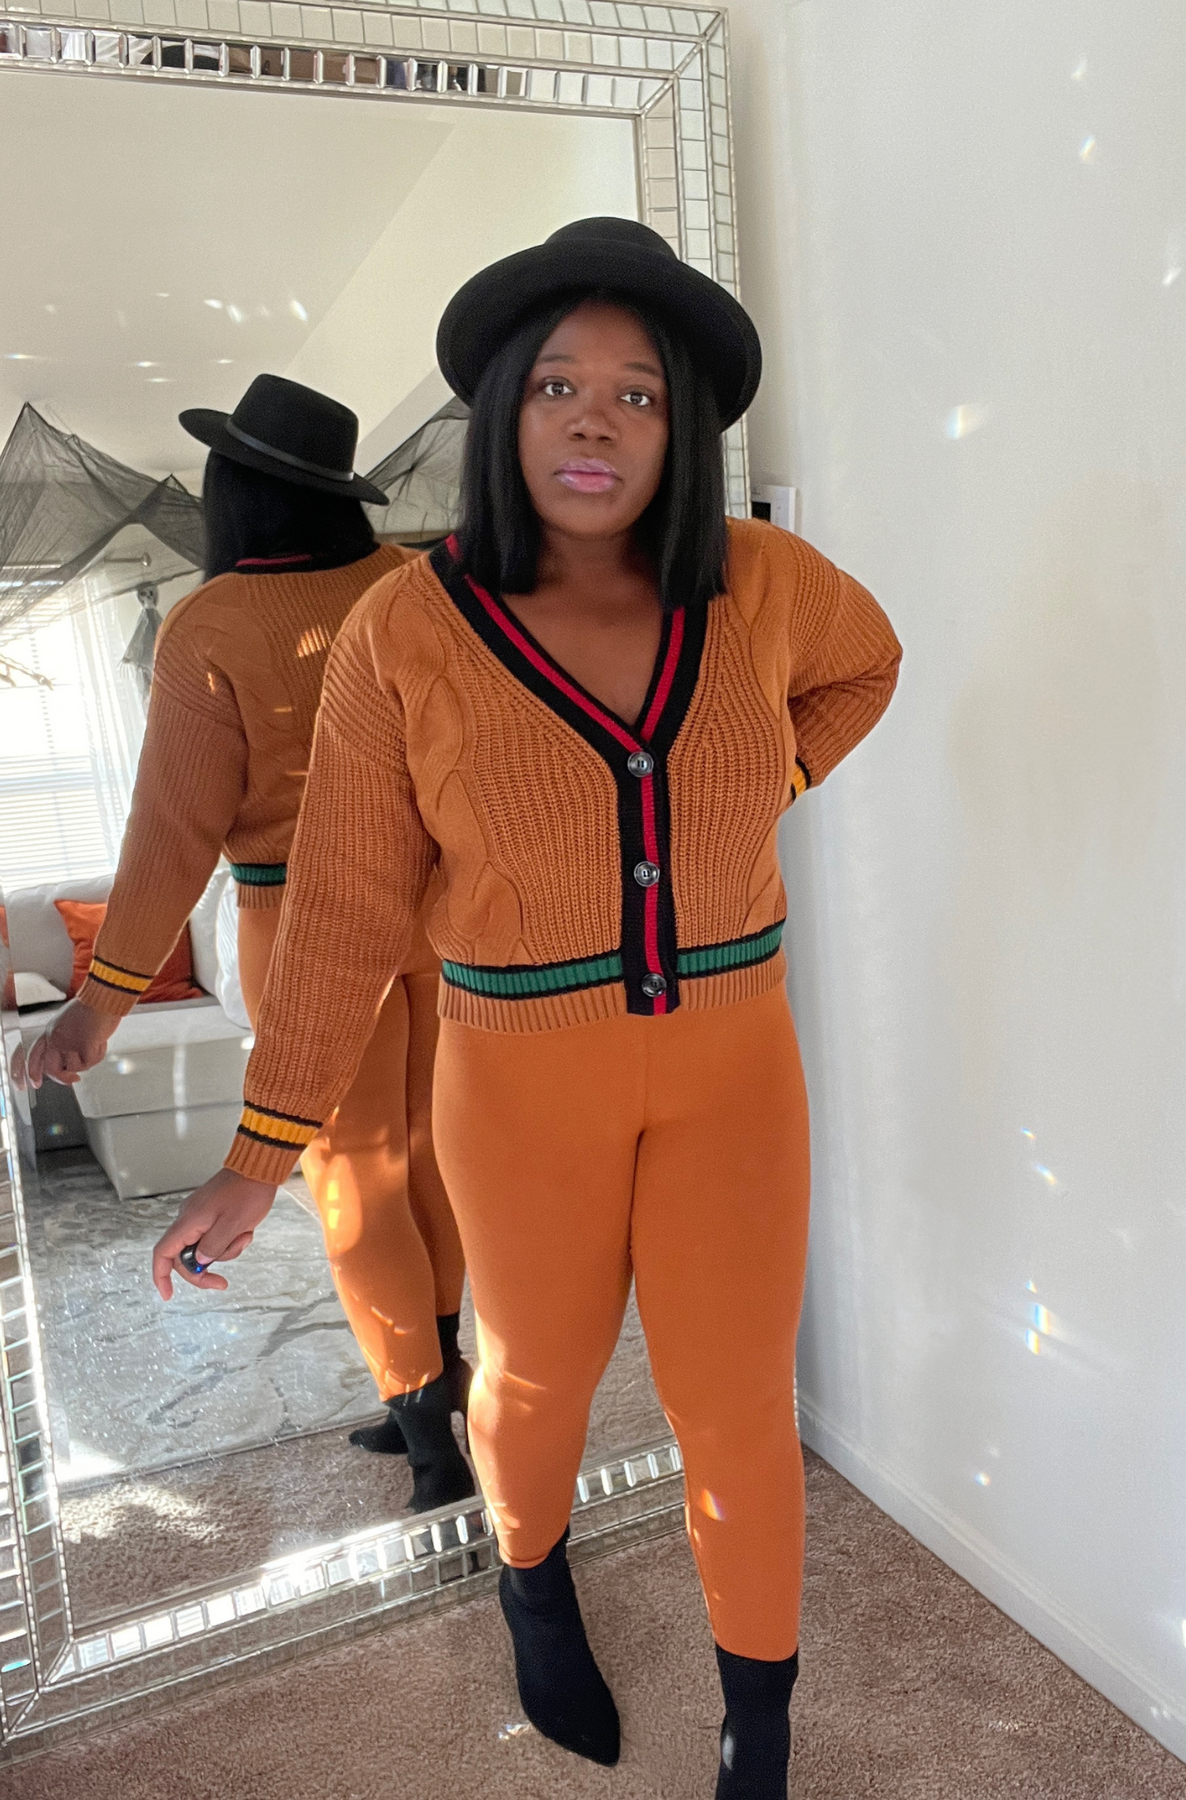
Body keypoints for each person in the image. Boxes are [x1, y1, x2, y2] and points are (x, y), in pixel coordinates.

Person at [154, 221, 901, 1798]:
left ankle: (757, 1728)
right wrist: (258, 1154)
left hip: (734, 1071)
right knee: (537, 1380)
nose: (594, 420)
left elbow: (867, 666)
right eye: (558, 384)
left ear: (682, 428)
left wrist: (765, 778)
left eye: (639, 392)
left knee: (736, 1406)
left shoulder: (764, 583)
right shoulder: (406, 629)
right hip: (515, 1080)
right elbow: (344, 909)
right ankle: (532, 1584)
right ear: (502, 409)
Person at [18, 374, 473, 1514]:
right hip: (442, 918)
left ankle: (429, 1435)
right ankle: (441, 1388)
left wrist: (101, 1001)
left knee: (357, 1185)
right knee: (430, 1165)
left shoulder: (211, 623)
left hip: (305, 931)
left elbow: (172, 834)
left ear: (232, 490)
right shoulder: (417, 586)